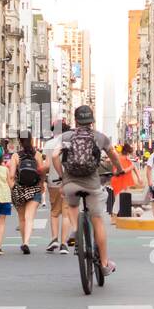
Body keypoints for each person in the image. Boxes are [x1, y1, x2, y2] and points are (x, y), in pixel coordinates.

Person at [51, 105, 125, 275]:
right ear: (92, 121)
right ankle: (105, 264)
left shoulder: (66, 136)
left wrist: (63, 177)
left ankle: (77, 233)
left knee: (73, 205)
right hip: (92, 184)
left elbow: (55, 156)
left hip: (70, 183)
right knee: (97, 219)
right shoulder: (100, 137)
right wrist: (119, 169)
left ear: (75, 120)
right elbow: (113, 155)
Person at [8, 135, 45, 253]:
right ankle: (26, 242)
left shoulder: (15, 156)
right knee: (29, 217)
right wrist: (42, 184)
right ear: (31, 140)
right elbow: (41, 171)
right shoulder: (37, 155)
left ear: (20, 141)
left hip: (20, 189)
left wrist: (13, 187)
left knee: (22, 218)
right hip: (34, 189)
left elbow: (11, 175)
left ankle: (23, 241)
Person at [42, 120, 72, 253]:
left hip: (53, 182)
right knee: (66, 214)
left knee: (54, 212)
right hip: (69, 181)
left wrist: (43, 179)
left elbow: (47, 166)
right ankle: (64, 244)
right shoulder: (70, 143)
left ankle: (54, 239)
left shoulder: (48, 144)